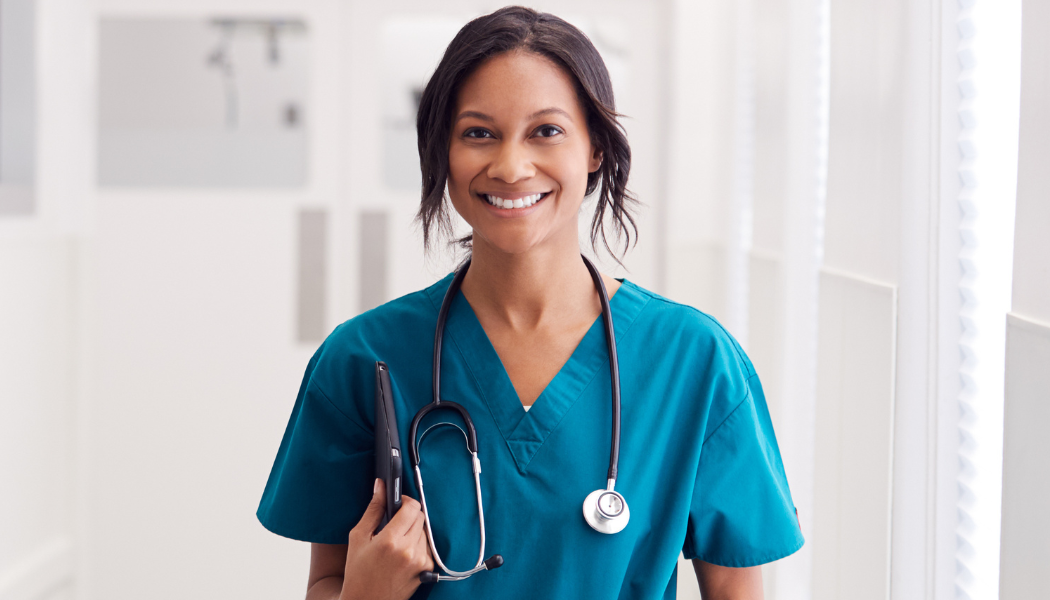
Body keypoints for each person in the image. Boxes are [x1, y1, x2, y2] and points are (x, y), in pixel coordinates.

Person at [255, 6, 803, 599]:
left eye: (546, 131)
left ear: (596, 149)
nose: (511, 165)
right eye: (478, 133)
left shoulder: (694, 362)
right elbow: (328, 583)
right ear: (444, 152)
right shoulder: (364, 359)